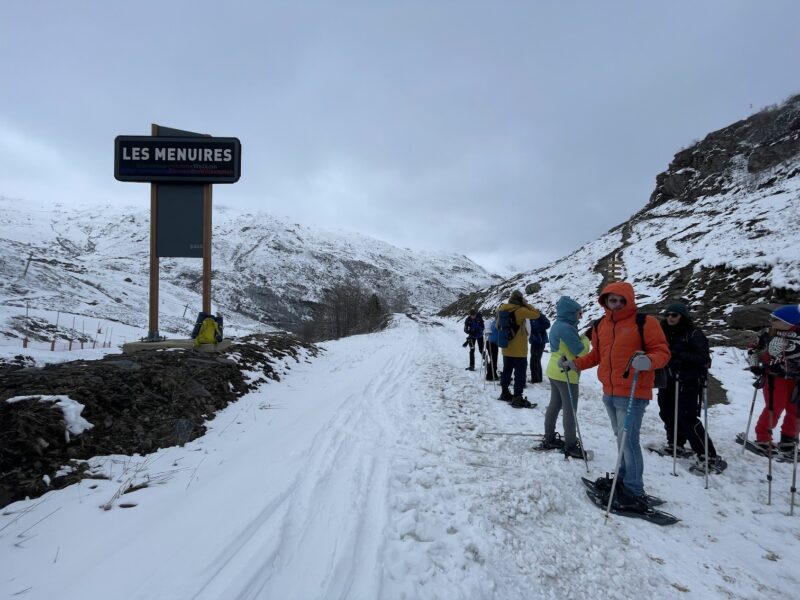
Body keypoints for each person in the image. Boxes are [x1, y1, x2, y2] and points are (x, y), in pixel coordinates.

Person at [562, 281, 670, 513]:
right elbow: (597, 355)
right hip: (609, 392)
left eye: (622, 300)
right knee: (622, 440)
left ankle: (634, 491)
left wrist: (648, 361)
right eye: (613, 300)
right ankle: (622, 480)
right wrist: (575, 364)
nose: (618, 304)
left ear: (629, 301)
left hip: (633, 392)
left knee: (628, 442)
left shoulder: (645, 323)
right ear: (605, 301)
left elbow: (662, 351)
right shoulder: (601, 324)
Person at [657, 302, 725, 471]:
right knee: (667, 412)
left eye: (674, 315)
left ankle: (708, 454)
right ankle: (675, 443)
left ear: (683, 316)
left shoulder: (693, 334)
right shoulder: (662, 331)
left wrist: (679, 355)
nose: (670, 318)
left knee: (687, 416)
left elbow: (704, 359)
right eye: (668, 315)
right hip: (669, 378)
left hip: (688, 381)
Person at [540, 296, 590, 458]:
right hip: (566, 371)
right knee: (570, 409)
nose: (580, 316)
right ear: (570, 313)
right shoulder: (567, 328)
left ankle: (549, 437)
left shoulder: (559, 324)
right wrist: (587, 338)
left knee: (555, 404)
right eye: (579, 313)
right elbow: (581, 352)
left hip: (555, 369)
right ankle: (570, 444)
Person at [748, 304, 800, 453]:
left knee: (795, 409)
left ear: (789, 322)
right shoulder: (768, 333)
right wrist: (754, 366)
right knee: (774, 407)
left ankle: (789, 439)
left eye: (776, 320)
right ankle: (763, 437)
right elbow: (753, 349)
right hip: (774, 377)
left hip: (796, 379)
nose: (772, 321)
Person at [497, 290, 542, 408]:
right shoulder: (521, 310)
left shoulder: (502, 309)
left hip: (507, 348)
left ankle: (504, 392)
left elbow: (498, 326)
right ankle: (517, 397)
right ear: (520, 300)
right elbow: (536, 314)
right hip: (519, 350)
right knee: (520, 374)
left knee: (506, 371)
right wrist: (526, 304)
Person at [528, 313, 551, 383]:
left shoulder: (538, 315)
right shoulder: (529, 316)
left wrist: (536, 329)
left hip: (540, 341)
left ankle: (536, 379)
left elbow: (547, 324)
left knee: (534, 360)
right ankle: (538, 378)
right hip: (535, 340)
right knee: (536, 360)